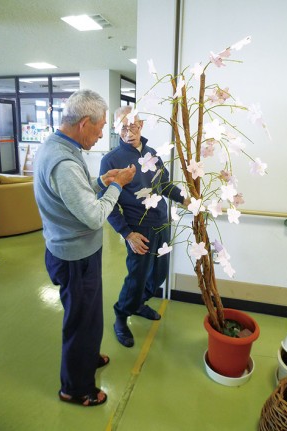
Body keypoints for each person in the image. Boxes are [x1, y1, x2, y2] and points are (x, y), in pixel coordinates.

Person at [33, 90, 136, 407]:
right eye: (101, 126)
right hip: (74, 257)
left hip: (78, 252)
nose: (103, 133)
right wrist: (117, 185)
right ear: (84, 123)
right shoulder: (63, 161)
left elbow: (75, 193)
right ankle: (75, 388)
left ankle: (87, 357)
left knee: (90, 316)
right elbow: (93, 217)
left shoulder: (61, 146)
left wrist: (101, 182)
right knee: (80, 321)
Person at [99, 106, 189, 348]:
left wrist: (185, 199)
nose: (130, 131)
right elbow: (107, 201)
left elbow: (165, 185)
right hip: (138, 230)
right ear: (117, 129)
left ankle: (138, 304)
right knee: (137, 277)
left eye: (134, 125)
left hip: (162, 224)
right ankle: (122, 313)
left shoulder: (153, 154)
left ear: (142, 125)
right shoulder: (111, 160)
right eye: (123, 127)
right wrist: (127, 234)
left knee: (158, 274)